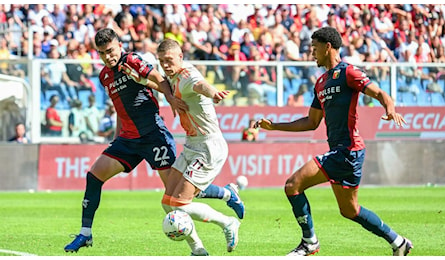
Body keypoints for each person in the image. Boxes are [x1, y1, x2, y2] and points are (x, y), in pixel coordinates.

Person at [64, 28, 243, 254]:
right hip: (128, 139)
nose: (108, 57)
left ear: (119, 45)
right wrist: (116, 137)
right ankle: (85, 234)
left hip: (153, 136)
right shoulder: (104, 76)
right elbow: (121, 108)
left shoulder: (132, 60)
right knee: (94, 175)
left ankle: (221, 205)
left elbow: (160, 80)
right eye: (102, 53)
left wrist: (171, 99)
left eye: (110, 51)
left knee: (174, 199)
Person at [255, 27, 413, 256]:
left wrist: (389, 109)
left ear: (328, 47)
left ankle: (309, 243)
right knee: (350, 211)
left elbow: (381, 94)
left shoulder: (348, 72)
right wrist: (275, 126)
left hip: (347, 151)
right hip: (346, 153)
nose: (312, 53)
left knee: (292, 185)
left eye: (315, 48)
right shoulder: (320, 83)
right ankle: (399, 242)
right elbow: (311, 122)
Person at [154, 39, 240, 256]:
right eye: (161, 61)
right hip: (192, 144)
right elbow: (160, 82)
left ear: (180, 57)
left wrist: (214, 93)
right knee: (167, 203)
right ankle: (198, 249)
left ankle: (227, 222)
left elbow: (200, 85)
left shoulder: (186, 76)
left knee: (181, 204)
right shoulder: (172, 77)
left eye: (169, 60)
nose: (165, 65)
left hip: (208, 147)